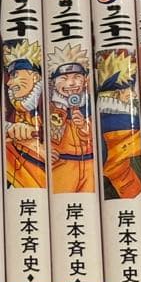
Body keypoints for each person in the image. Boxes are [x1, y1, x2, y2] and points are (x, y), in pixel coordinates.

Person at [46, 43, 96, 193]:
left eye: (77, 77)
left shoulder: (91, 105)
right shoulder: (49, 108)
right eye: (64, 78)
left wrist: (84, 126)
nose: (71, 83)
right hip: (62, 167)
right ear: (53, 82)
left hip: (90, 166)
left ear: (85, 79)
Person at [94, 49, 141, 200]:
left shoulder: (104, 120)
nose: (134, 94)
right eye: (129, 90)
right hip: (124, 190)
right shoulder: (122, 125)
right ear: (117, 93)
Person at [2, 40, 47, 189]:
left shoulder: (49, 104)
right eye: (10, 76)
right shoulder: (11, 108)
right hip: (16, 169)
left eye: (15, 75)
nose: (9, 83)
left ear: (35, 77)